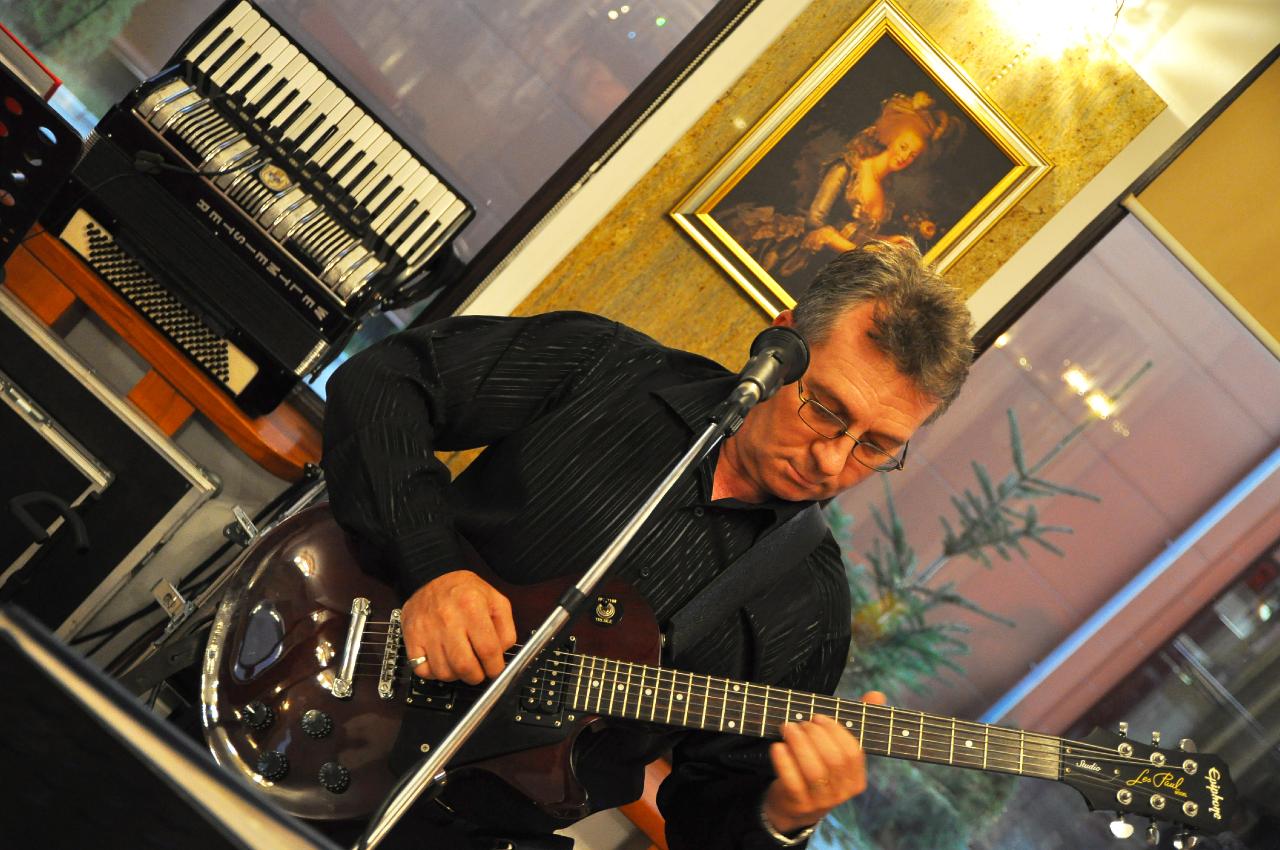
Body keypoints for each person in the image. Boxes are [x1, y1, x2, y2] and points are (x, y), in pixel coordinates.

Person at [321, 243, 973, 849]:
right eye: (826, 410)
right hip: (318, 662)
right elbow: (383, 384)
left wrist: (784, 818)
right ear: (782, 343)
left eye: (875, 445)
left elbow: (708, 826)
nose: (831, 460)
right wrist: (432, 568)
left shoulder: (810, 610)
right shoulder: (604, 367)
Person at [720, 92, 961, 295]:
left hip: (833, 267)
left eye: (913, 155)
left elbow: (859, 233)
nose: (904, 156)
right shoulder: (848, 167)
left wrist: (889, 241)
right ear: (892, 137)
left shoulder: (886, 191)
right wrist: (858, 252)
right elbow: (815, 223)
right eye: (903, 146)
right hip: (801, 253)